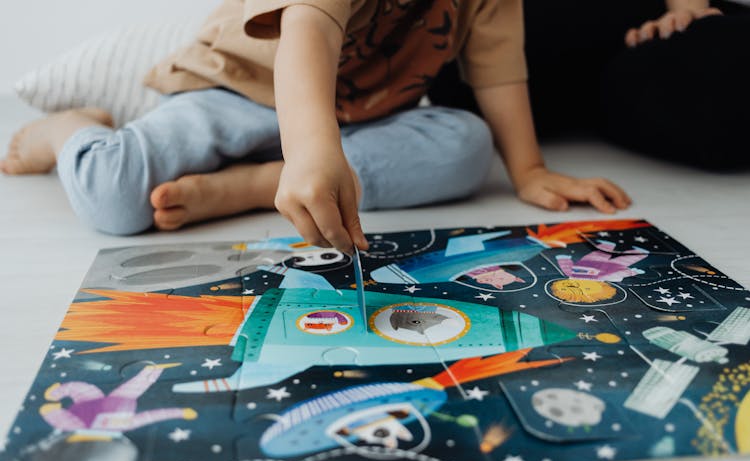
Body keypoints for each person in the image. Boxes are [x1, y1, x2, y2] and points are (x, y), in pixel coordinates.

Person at [0, 0, 631, 255]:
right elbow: (310, 27)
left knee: (467, 146)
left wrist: (528, 170)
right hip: (239, 90)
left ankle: (255, 183)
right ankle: (71, 129)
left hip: (358, 122)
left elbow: (497, 73)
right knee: (113, 196)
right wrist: (311, 146)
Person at [429, 0, 750, 169]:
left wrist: (686, 15)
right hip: (517, 50)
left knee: (722, 61)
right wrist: (529, 170)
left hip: (642, 31)